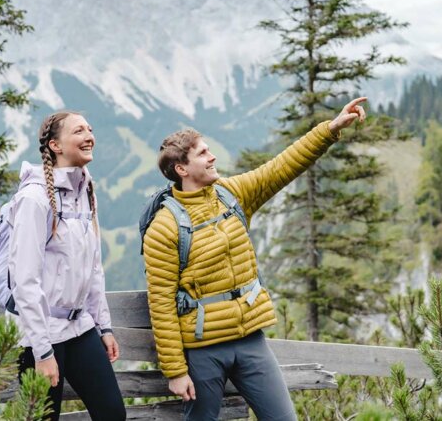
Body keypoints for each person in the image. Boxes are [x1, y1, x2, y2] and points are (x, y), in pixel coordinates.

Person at [143, 97, 368, 420]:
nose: (213, 156)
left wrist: (331, 129)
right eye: (203, 153)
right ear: (181, 169)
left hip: (251, 340)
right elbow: (161, 304)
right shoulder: (164, 227)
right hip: (204, 349)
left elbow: (281, 167)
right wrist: (176, 371)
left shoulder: (231, 193)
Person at [8, 111, 126, 420]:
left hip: (79, 327)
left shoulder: (85, 190)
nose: (89, 136)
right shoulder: (35, 198)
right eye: (79, 131)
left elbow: (93, 266)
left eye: (90, 128)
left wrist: (104, 326)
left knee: (113, 414)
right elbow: (24, 280)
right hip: (40, 333)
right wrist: (42, 351)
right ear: (55, 145)